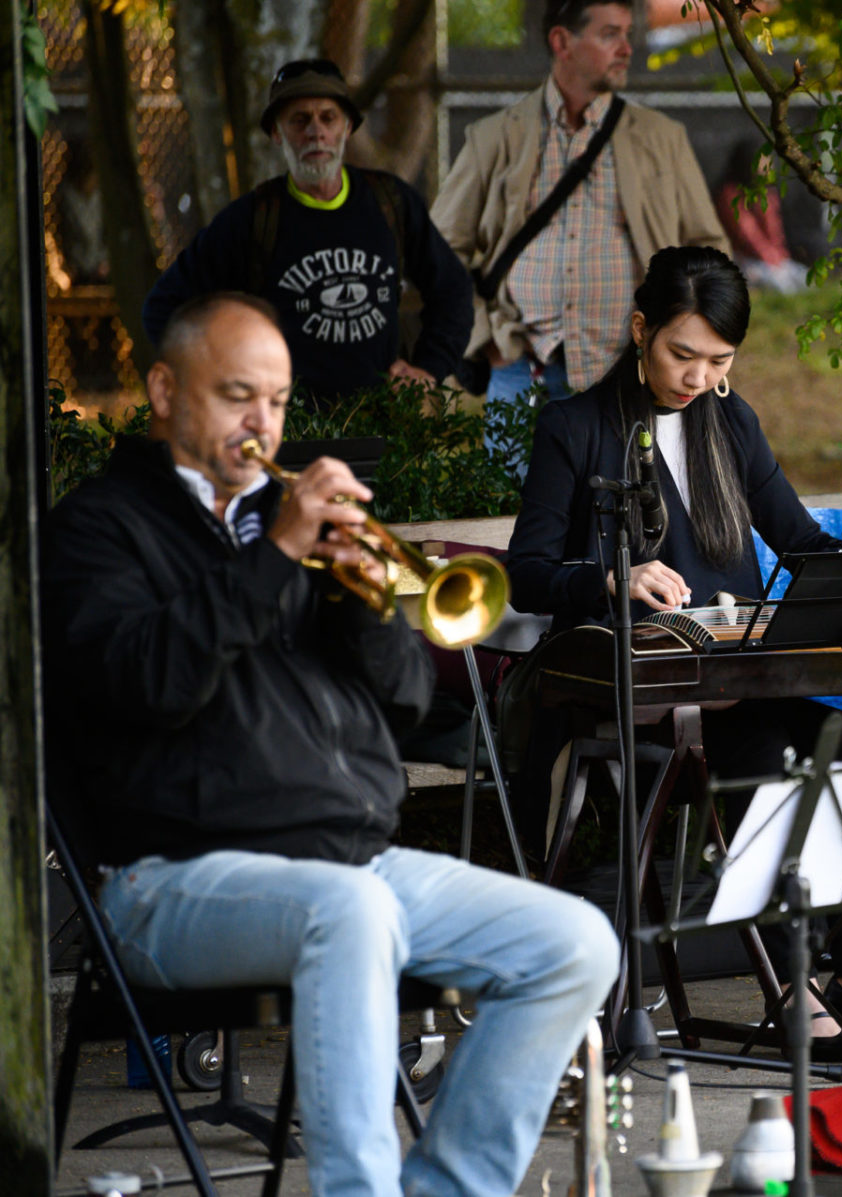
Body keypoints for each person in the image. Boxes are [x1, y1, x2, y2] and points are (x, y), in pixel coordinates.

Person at [42, 292, 617, 1197]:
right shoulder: (95, 530)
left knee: (576, 941)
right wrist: (272, 552)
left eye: (274, 401)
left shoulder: (299, 532)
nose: (261, 423)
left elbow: (398, 705)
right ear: (162, 389)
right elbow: (147, 682)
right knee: (350, 912)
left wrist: (366, 602)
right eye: (237, 395)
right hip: (168, 882)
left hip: (344, 865)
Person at [507, 244, 842, 1057]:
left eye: (718, 360)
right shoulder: (575, 429)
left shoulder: (731, 424)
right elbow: (527, 575)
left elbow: (801, 540)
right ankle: (787, 980)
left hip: (733, 677)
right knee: (752, 756)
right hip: (631, 695)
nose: (697, 376)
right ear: (640, 331)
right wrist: (611, 578)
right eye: (682, 354)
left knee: (837, 742)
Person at [433, 0, 729, 473]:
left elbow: (707, 245)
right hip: (518, 367)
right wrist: (483, 335)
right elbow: (440, 249)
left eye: (628, 34)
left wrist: (679, 341)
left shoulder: (660, 138)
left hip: (625, 374)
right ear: (562, 42)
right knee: (512, 524)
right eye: (610, 34)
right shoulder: (494, 136)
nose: (627, 48)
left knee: (625, 523)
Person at [143, 59, 473, 410]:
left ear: (346, 128)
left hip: (381, 425)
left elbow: (453, 290)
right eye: (299, 120)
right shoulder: (254, 219)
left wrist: (427, 369)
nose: (315, 131)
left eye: (327, 118)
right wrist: (220, 378)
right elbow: (163, 307)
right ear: (276, 133)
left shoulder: (391, 204)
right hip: (288, 430)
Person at [715, 139, 810, 295]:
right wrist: (773, 261)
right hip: (744, 259)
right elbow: (747, 235)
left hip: (771, 258)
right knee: (783, 288)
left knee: (806, 280)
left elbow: (774, 231)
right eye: (764, 161)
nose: (769, 167)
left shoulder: (765, 192)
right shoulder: (730, 194)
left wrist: (779, 258)